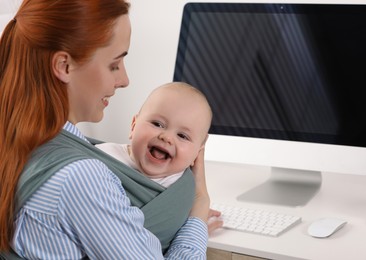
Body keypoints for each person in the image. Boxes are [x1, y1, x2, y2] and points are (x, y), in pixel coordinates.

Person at [0, 0, 221, 259]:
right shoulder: (81, 178)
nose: (124, 81)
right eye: (114, 64)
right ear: (64, 66)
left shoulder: (18, 140)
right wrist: (197, 211)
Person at [96, 82, 212, 188]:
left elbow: (189, 208)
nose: (167, 137)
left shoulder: (182, 186)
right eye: (157, 124)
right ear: (133, 126)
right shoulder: (103, 156)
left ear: (197, 152)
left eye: (182, 136)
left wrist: (199, 205)